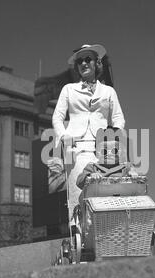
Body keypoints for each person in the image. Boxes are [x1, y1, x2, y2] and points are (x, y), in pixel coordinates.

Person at [52, 44, 125, 223]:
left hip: (103, 149)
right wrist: (63, 136)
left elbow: (118, 119)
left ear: (97, 63)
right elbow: (57, 117)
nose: (83, 63)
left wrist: (114, 139)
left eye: (87, 59)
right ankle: (79, 237)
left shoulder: (108, 92)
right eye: (79, 61)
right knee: (79, 194)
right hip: (77, 148)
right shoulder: (68, 89)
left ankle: (104, 235)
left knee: (104, 194)